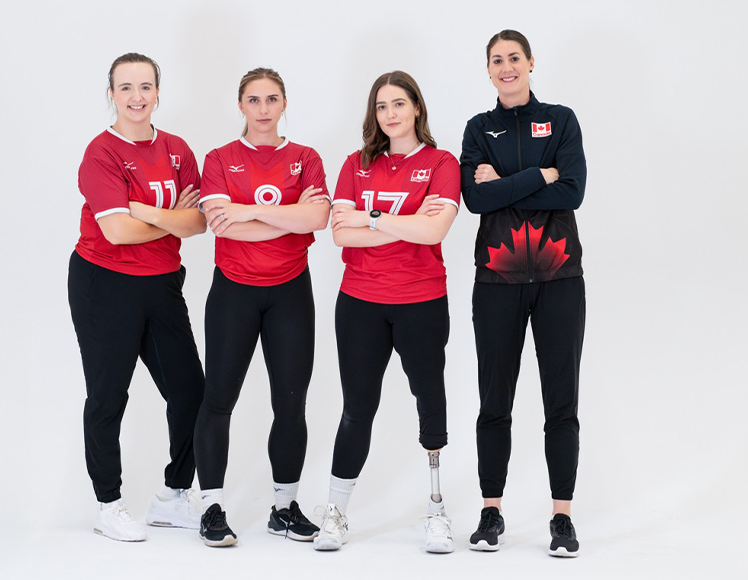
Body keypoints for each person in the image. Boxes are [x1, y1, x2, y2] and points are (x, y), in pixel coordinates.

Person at [313, 71, 460, 554]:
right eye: (381, 106)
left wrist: (371, 217)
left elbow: (434, 233)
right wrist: (408, 223)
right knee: (357, 408)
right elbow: (341, 235)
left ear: (417, 107)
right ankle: (335, 513)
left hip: (420, 300)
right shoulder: (357, 164)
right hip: (360, 302)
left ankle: (437, 511)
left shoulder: (441, 162)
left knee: (429, 400)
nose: (391, 114)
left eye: (399, 103)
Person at [68, 52, 207, 542]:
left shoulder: (176, 149)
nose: (136, 97)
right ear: (112, 93)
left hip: (163, 281)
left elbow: (198, 222)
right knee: (109, 394)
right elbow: (116, 232)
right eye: (125, 87)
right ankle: (108, 504)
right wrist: (165, 218)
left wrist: (143, 208)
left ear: (157, 92)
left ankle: (172, 497)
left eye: (145, 86)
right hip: (103, 283)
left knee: (190, 390)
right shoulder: (101, 153)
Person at [459, 29, 587, 557]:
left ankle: (562, 518)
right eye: (497, 60)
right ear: (487, 70)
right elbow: (474, 199)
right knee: (495, 401)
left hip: (560, 279)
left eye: (515, 58)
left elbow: (573, 190)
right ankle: (491, 512)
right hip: (496, 281)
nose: (506, 67)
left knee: (562, 402)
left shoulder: (561, 119)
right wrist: (541, 172)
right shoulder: (477, 128)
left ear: (531, 63)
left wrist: (505, 183)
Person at [193, 67, 330, 547]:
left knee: (291, 404)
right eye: (254, 99)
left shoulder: (305, 158)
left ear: (284, 103)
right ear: (241, 106)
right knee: (218, 399)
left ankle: (283, 507)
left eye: (272, 99)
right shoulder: (219, 158)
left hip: (291, 291)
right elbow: (221, 226)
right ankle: (211, 507)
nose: (264, 108)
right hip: (234, 290)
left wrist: (250, 210)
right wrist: (288, 220)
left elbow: (318, 216)